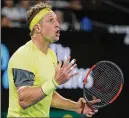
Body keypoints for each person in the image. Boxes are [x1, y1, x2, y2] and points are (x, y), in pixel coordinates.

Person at [7, 2, 100, 117]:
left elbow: (47, 95)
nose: (57, 24)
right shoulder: (24, 55)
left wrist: (75, 106)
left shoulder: (51, 55)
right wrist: (55, 82)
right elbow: (24, 100)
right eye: (51, 20)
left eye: (57, 20)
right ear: (38, 28)